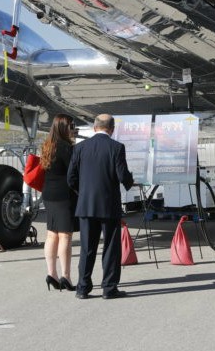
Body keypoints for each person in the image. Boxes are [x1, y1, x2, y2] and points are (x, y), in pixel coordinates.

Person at [67, 113, 135, 299]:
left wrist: (83, 194)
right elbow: (123, 176)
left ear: (95, 127)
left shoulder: (80, 148)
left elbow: (70, 178)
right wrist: (131, 181)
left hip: (86, 206)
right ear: (112, 129)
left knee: (87, 248)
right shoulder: (116, 147)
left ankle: (82, 288)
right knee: (111, 248)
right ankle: (109, 288)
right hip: (108, 206)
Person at [40, 114, 79, 291]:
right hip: (64, 196)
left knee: (51, 234)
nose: (73, 129)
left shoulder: (47, 145)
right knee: (65, 236)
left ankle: (51, 273)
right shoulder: (66, 148)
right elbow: (73, 173)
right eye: (71, 126)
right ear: (63, 128)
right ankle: (66, 276)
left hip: (49, 194)